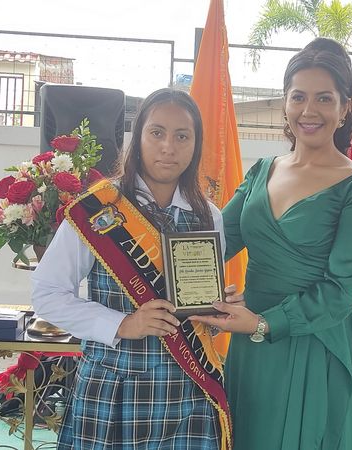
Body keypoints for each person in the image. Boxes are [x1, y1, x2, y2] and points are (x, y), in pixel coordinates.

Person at [191, 37, 352, 449]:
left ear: (345, 107)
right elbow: (213, 244)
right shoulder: (261, 171)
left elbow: (342, 290)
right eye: (298, 97)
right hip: (253, 346)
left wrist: (263, 323)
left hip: (319, 343)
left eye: (324, 98)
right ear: (284, 102)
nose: (308, 110)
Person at [32, 88, 241, 450]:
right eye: (157, 133)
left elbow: (197, 308)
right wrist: (123, 324)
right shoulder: (99, 208)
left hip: (187, 391)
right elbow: (46, 294)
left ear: (196, 145)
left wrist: (216, 308)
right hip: (114, 389)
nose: (168, 147)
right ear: (138, 137)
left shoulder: (209, 217)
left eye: (182, 136)